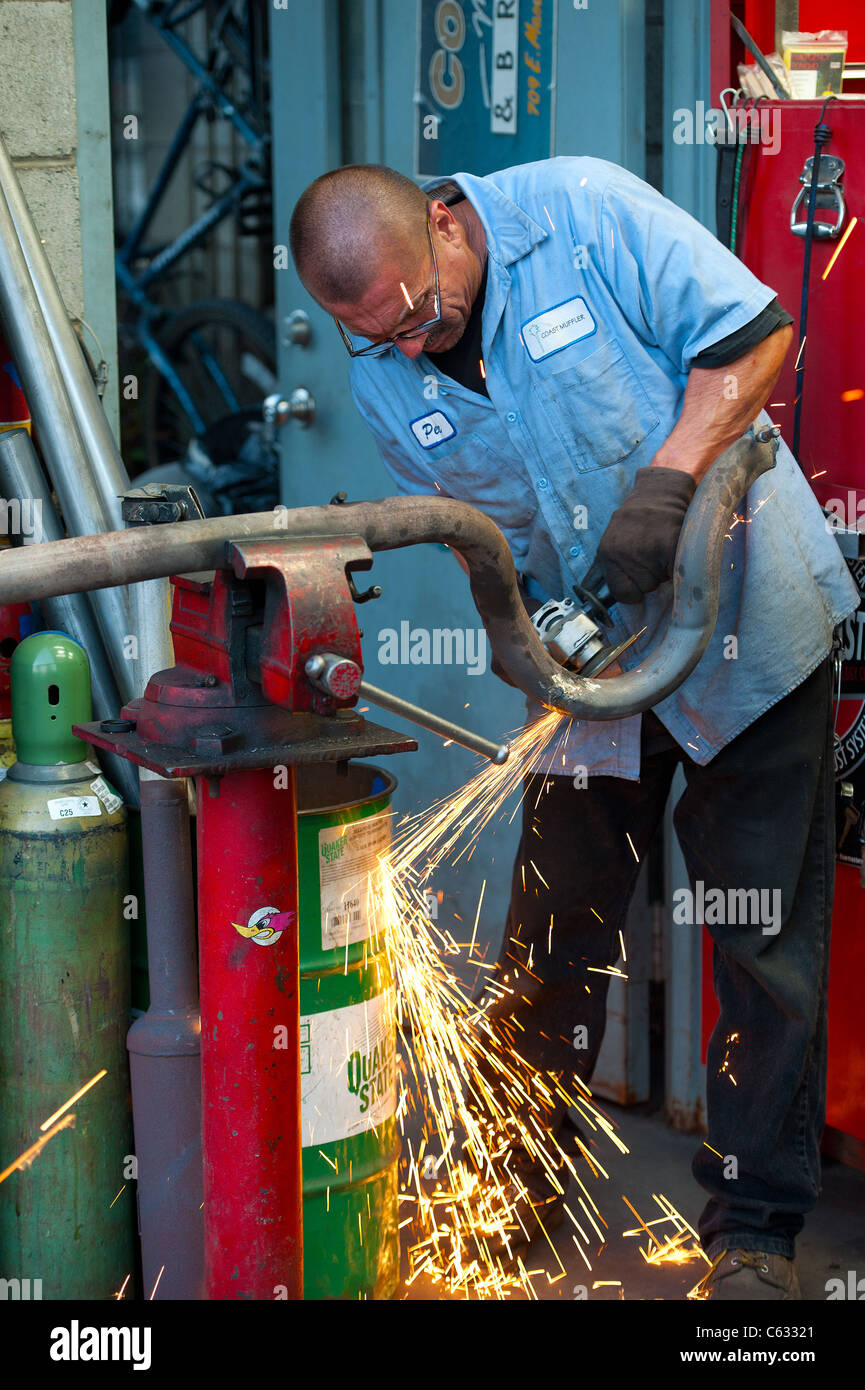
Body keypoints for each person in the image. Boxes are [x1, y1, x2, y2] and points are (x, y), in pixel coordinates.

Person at [289, 159, 858, 1300]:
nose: (406, 348)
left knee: (761, 942)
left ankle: (753, 1225)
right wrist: (508, 623)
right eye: (371, 337)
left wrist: (668, 483)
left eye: (416, 314)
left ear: (445, 224)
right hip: (593, 662)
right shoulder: (385, 374)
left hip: (746, 621)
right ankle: (514, 1181)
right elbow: (475, 528)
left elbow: (754, 333)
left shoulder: (584, 213)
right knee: (552, 928)